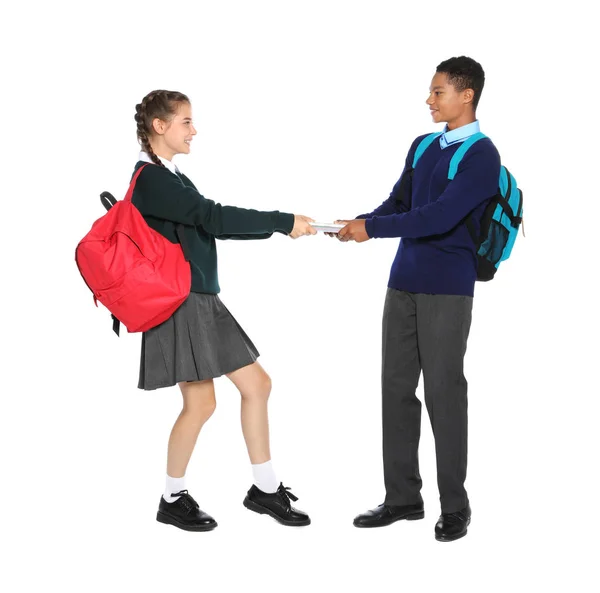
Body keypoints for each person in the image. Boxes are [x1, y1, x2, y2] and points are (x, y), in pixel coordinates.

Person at [131, 89, 316, 531]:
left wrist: (280, 223)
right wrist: (280, 220)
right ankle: (183, 497)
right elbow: (212, 218)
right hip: (183, 303)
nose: (193, 131)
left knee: (243, 389)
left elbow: (206, 221)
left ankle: (255, 491)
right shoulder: (152, 180)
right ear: (161, 126)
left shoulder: (168, 176)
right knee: (205, 402)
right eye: (186, 122)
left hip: (198, 299)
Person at [333, 56, 500, 542]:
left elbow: (440, 217)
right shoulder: (424, 144)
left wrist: (374, 229)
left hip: (448, 286)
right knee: (395, 390)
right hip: (402, 281)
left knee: (444, 394)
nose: (429, 100)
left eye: (438, 91)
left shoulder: (481, 155)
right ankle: (403, 498)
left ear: (466, 95)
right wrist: (356, 223)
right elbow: (400, 204)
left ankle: (455, 506)